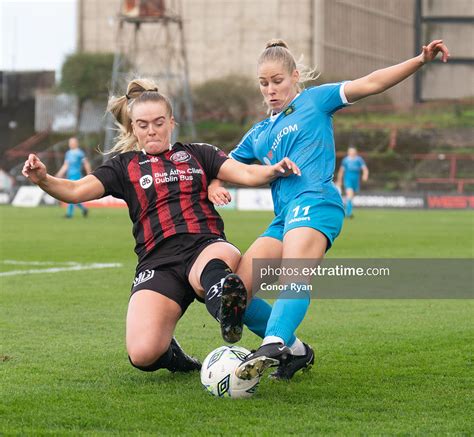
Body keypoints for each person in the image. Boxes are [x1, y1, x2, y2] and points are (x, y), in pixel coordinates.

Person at [22, 78, 300, 375]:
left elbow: (244, 172)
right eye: (142, 125)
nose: (151, 130)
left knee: (215, 274)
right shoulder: (122, 166)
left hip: (204, 246)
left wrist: (271, 170)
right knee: (142, 354)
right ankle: (175, 356)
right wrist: (43, 179)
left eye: (158, 122)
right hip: (157, 261)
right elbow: (76, 191)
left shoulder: (199, 153)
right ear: (133, 128)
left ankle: (226, 307)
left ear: (171, 122)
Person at [209, 39, 450, 380]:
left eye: (278, 81)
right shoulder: (258, 133)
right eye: (264, 84)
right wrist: (216, 184)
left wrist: (420, 60)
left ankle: (275, 342)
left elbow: (372, 82)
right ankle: (295, 352)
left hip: (317, 201)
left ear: (294, 77)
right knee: (236, 298)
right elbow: (224, 165)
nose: (271, 90)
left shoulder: (315, 99)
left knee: (295, 273)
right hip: (283, 217)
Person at [55, 137, 92, 218]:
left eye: (72, 142)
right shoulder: (68, 153)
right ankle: (84, 209)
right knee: (72, 196)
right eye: (70, 142)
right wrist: (59, 174)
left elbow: (86, 163)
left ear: (76, 143)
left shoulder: (80, 153)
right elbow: (66, 165)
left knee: (70, 194)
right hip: (70, 176)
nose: (71, 144)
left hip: (77, 176)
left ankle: (69, 214)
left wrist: (89, 174)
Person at [336, 146, 369, 218]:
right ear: (348, 152)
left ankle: (347, 210)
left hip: (356, 180)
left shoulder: (359, 160)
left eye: (353, 152)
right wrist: (339, 180)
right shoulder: (346, 160)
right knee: (349, 195)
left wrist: (365, 175)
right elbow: (341, 171)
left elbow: (365, 169)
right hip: (348, 179)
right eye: (350, 151)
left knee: (351, 197)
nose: (352, 153)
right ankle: (348, 213)